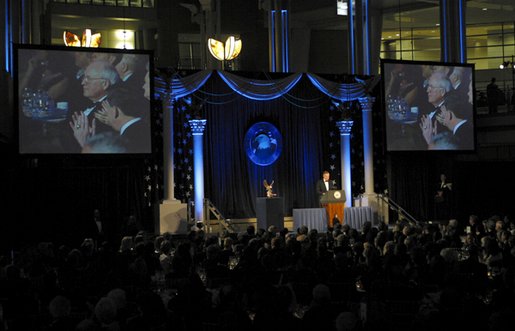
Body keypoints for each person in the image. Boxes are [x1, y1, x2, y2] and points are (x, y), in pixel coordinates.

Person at [68, 60, 120, 151]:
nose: (83, 83)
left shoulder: (107, 111)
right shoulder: (86, 102)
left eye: (88, 79)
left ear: (104, 84)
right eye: (84, 78)